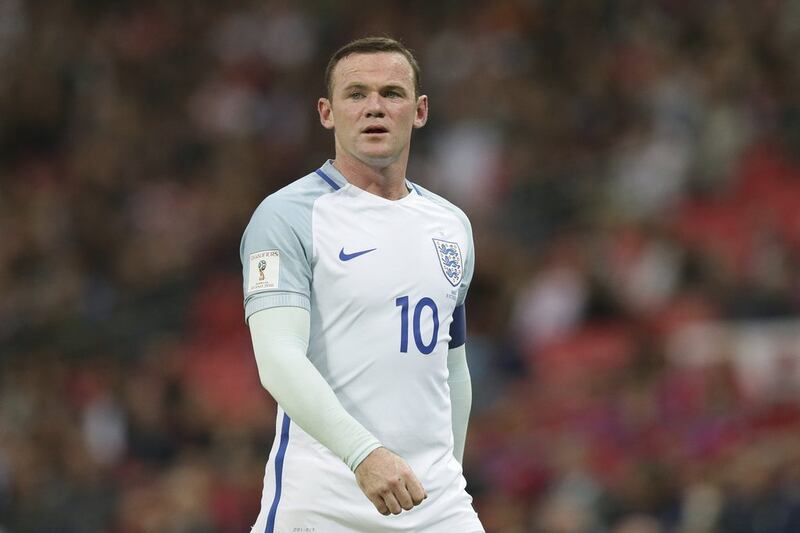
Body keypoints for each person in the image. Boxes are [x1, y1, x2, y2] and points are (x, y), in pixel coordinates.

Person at [240, 36, 484, 532]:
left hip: (433, 502)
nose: (374, 106)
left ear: (419, 111)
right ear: (327, 112)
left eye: (392, 93)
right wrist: (364, 455)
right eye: (357, 94)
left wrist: (449, 473)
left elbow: (452, 366)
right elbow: (278, 360)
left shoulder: (451, 224)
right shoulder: (287, 217)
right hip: (323, 504)